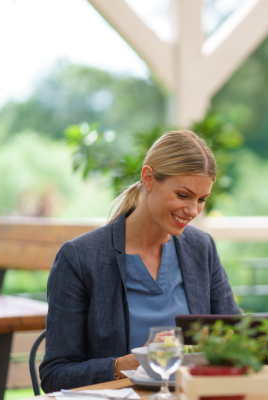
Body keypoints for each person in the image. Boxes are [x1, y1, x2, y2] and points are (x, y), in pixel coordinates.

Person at [40, 130, 240, 392]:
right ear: (148, 179)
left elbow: (238, 338)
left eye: (201, 199)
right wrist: (125, 364)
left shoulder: (200, 248)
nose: (193, 211)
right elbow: (55, 374)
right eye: (183, 195)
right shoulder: (80, 258)